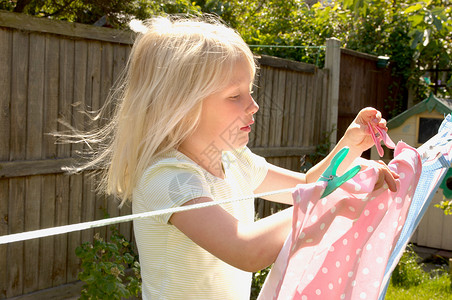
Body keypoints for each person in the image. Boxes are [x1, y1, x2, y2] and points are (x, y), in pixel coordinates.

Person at [70, 15, 398, 300]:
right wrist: (334, 195)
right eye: (235, 96)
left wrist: (351, 144)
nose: (253, 105)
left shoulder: (234, 159)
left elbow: (307, 185)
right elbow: (245, 250)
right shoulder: (168, 179)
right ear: (181, 107)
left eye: (250, 91)